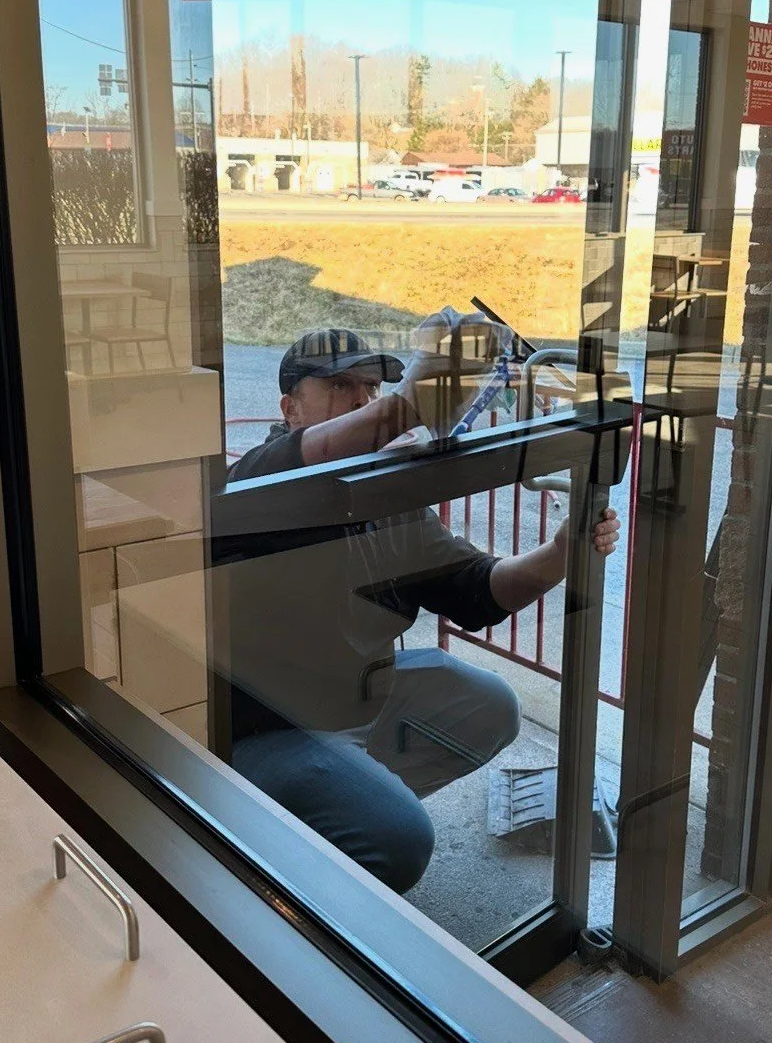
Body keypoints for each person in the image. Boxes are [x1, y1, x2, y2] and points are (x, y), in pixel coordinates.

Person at [220, 321, 619, 893]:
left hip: (360, 697)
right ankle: (292, 848)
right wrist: (410, 404)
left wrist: (563, 551)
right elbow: (312, 460)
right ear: (290, 408)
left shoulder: (386, 498)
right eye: (340, 386)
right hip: (272, 731)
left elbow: (478, 587)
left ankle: (339, 813)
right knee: (397, 836)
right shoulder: (258, 482)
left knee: (489, 705)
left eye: (372, 388)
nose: (362, 398)